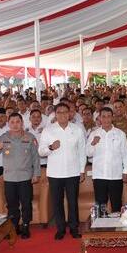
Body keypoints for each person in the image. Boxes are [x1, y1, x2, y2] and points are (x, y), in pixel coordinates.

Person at [39, 103, 87, 240]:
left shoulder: (77, 129)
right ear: (55, 114)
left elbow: (82, 151)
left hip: (73, 171)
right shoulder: (48, 130)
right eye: (59, 112)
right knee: (57, 201)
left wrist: (82, 170)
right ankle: (60, 228)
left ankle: (74, 228)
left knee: (72, 201)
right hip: (55, 173)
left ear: (70, 114)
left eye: (65, 112)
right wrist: (51, 147)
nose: (63, 115)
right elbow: (41, 151)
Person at [0, 113, 41, 239]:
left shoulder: (30, 137)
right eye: (12, 122)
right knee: (12, 205)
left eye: (18, 122)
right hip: (9, 178)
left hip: (25, 177)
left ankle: (25, 225)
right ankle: (14, 226)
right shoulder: (3, 137)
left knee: (26, 204)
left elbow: (36, 158)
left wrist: (36, 174)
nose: (15, 125)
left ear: (22, 123)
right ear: (9, 124)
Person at [85, 107, 127, 214]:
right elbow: (88, 153)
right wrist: (93, 143)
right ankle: (101, 228)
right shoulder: (93, 134)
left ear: (112, 118)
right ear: (99, 118)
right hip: (99, 175)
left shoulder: (120, 134)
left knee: (116, 204)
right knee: (101, 205)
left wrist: (126, 171)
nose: (106, 119)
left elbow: (125, 154)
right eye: (103, 117)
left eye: (109, 116)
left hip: (116, 175)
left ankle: (116, 229)